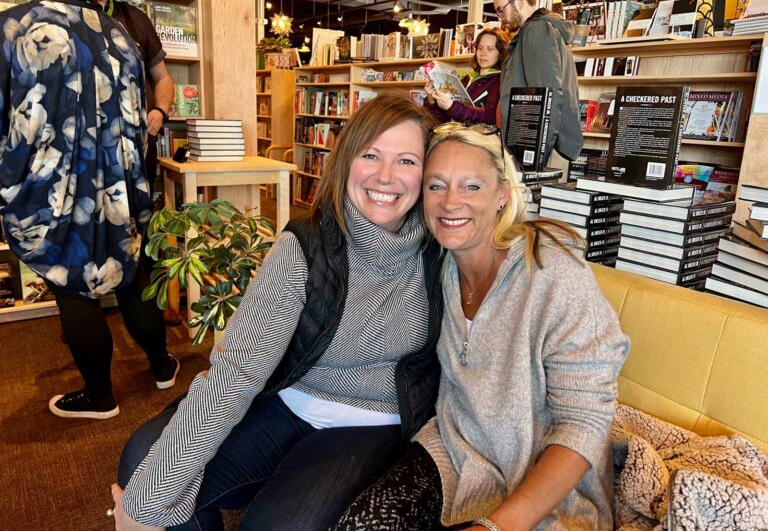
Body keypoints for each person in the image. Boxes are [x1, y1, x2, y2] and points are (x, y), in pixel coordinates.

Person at [112, 94, 443, 531]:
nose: (385, 176)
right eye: (370, 155)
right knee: (145, 470)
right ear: (346, 161)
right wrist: (146, 503)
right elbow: (238, 372)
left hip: (373, 421)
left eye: (406, 160)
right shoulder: (306, 245)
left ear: (428, 175)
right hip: (289, 399)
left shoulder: (443, 251)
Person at [333, 124, 630, 531]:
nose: (451, 202)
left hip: (548, 484)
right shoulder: (434, 265)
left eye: (471, 186)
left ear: (502, 194)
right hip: (454, 454)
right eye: (436, 187)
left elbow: (584, 423)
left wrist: (495, 527)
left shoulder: (555, 274)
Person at [0, 0, 178, 420]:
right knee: (131, 272)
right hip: (117, 179)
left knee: (72, 284)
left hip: (54, 183)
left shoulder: (15, 27)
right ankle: (162, 365)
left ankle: (100, 394)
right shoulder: (116, 33)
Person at [91, 0, 175, 189]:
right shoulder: (64, 18)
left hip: (136, 148)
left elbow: (164, 78)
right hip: (88, 150)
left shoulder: (136, 19)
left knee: (137, 218)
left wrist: (160, 111)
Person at [490, 0, 583, 166]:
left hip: (534, 147)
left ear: (520, 2)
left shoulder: (536, 31)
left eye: (501, 10)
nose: (501, 18)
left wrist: (536, 156)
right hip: (532, 143)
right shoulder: (538, 30)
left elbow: (547, 95)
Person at [424, 27, 508, 126]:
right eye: (480, 48)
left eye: (490, 49)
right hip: (455, 134)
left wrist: (453, 107)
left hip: (476, 139)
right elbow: (441, 120)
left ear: (500, 53)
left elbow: (491, 117)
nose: (483, 53)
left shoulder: (500, 81)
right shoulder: (466, 79)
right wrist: (432, 101)